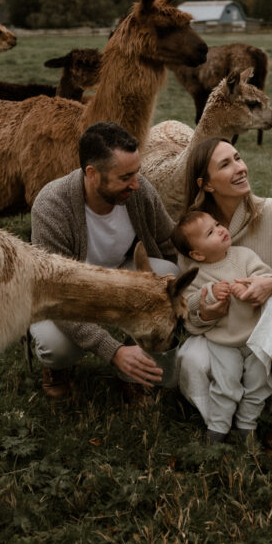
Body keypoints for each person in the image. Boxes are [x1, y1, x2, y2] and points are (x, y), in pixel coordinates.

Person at [176, 138, 272, 447]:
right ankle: (221, 424)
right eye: (226, 164)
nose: (241, 168)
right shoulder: (192, 234)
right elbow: (187, 308)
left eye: (238, 158)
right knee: (191, 358)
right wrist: (206, 311)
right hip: (228, 333)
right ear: (206, 184)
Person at [29, 121, 180, 401]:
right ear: (92, 174)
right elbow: (55, 295)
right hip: (63, 294)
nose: (136, 183)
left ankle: (133, 369)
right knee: (57, 346)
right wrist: (112, 351)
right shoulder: (51, 206)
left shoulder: (139, 191)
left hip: (117, 277)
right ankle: (57, 367)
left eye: (137, 172)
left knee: (167, 273)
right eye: (125, 177)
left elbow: (169, 242)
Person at [172, 210, 272, 443]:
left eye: (217, 224)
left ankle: (247, 426)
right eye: (210, 232)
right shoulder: (197, 273)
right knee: (226, 384)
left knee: (258, 383)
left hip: (255, 337)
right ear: (197, 254)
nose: (220, 229)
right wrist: (208, 294)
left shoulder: (244, 256)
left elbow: (265, 275)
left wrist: (250, 286)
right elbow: (188, 300)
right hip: (223, 341)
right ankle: (218, 428)